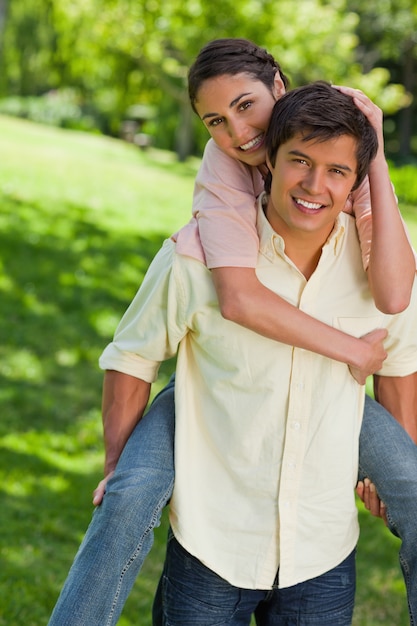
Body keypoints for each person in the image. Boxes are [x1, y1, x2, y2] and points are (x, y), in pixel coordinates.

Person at [47, 40, 417, 626]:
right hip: (214, 525)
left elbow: (397, 320)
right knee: (128, 494)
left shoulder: (359, 210)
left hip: (319, 544)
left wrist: (371, 156)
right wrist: (117, 462)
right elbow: (235, 300)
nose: (239, 133)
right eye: (216, 121)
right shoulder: (212, 208)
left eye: (246, 107)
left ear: (279, 86)